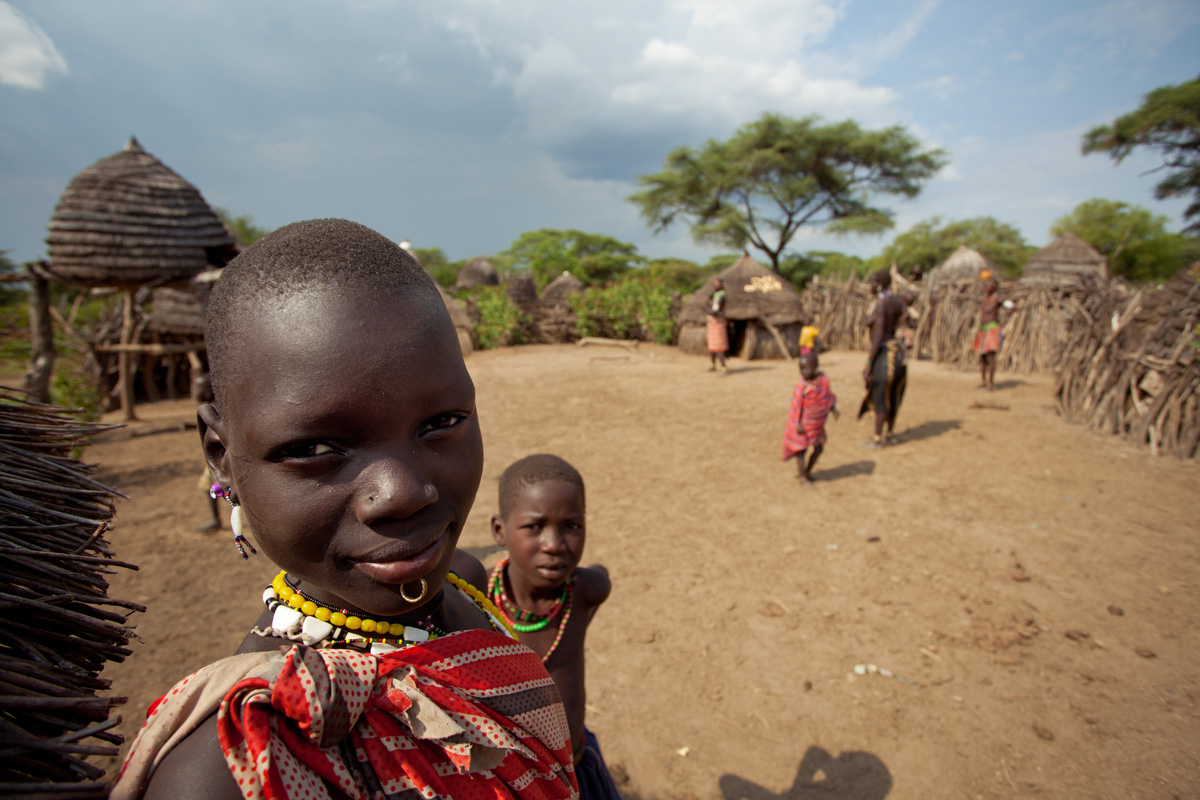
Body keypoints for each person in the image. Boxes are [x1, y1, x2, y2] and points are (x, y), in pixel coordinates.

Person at [112, 220, 578, 800]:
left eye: (441, 423)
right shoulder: (237, 767)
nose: (404, 492)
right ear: (221, 458)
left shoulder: (466, 587)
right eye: (312, 450)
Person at [488, 455, 619, 800]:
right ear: (499, 531)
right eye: (534, 526)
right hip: (507, 778)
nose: (554, 544)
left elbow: (601, 574)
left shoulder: (586, 592)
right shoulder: (477, 604)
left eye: (572, 526)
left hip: (574, 765)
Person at [858, 270, 907, 448]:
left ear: (879, 284)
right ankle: (890, 434)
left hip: (885, 356)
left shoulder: (881, 305)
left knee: (880, 396)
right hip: (900, 357)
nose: (870, 286)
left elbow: (878, 337)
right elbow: (907, 318)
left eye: (872, 282)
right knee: (894, 395)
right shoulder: (896, 301)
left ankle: (877, 438)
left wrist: (869, 363)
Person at [782, 352, 839, 487]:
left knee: (819, 448)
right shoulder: (802, 386)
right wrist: (797, 423)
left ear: (816, 366)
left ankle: (807, 472)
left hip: (817, 424)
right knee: (801, 451)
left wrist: (833, 408)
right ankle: (803, 478)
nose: (803, 372)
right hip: (803, 424)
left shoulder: (823, 380)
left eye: (806, 368)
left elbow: (827, 397)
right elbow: (796, 406)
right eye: (800, 369)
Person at [190, 372, 222, 533]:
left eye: (198, 387)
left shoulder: (216, 408)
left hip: (223, 458)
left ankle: (216, 519)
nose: (194, 391)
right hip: (218, 457)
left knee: (208, 485)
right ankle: (215, 519)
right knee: (207, 486)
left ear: (209, 390)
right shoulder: (213, 407)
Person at [974, 273, 1002, 391]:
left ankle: (991, 383)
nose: (986, 287)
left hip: (992, 329)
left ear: (994, 287)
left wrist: (1006, 314)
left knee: (991, 357)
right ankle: (983, 382)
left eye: (989, 286)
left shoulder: (997, 299)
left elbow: (1011, 306)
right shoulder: (986, 299)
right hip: (983, 330)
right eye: (986, 285)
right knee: (982, 358)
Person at [705, 278, 729, 372]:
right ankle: (713, 365)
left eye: (717, 284)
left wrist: (707, 309)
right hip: (712, 323)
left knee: (719, 346)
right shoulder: (715, 295)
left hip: (718, 322)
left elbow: (715, 311)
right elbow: (708, 297)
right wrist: (714, 290)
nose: (715, 286)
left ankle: (723, 367)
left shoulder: (722, 295)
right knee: (711, 345)